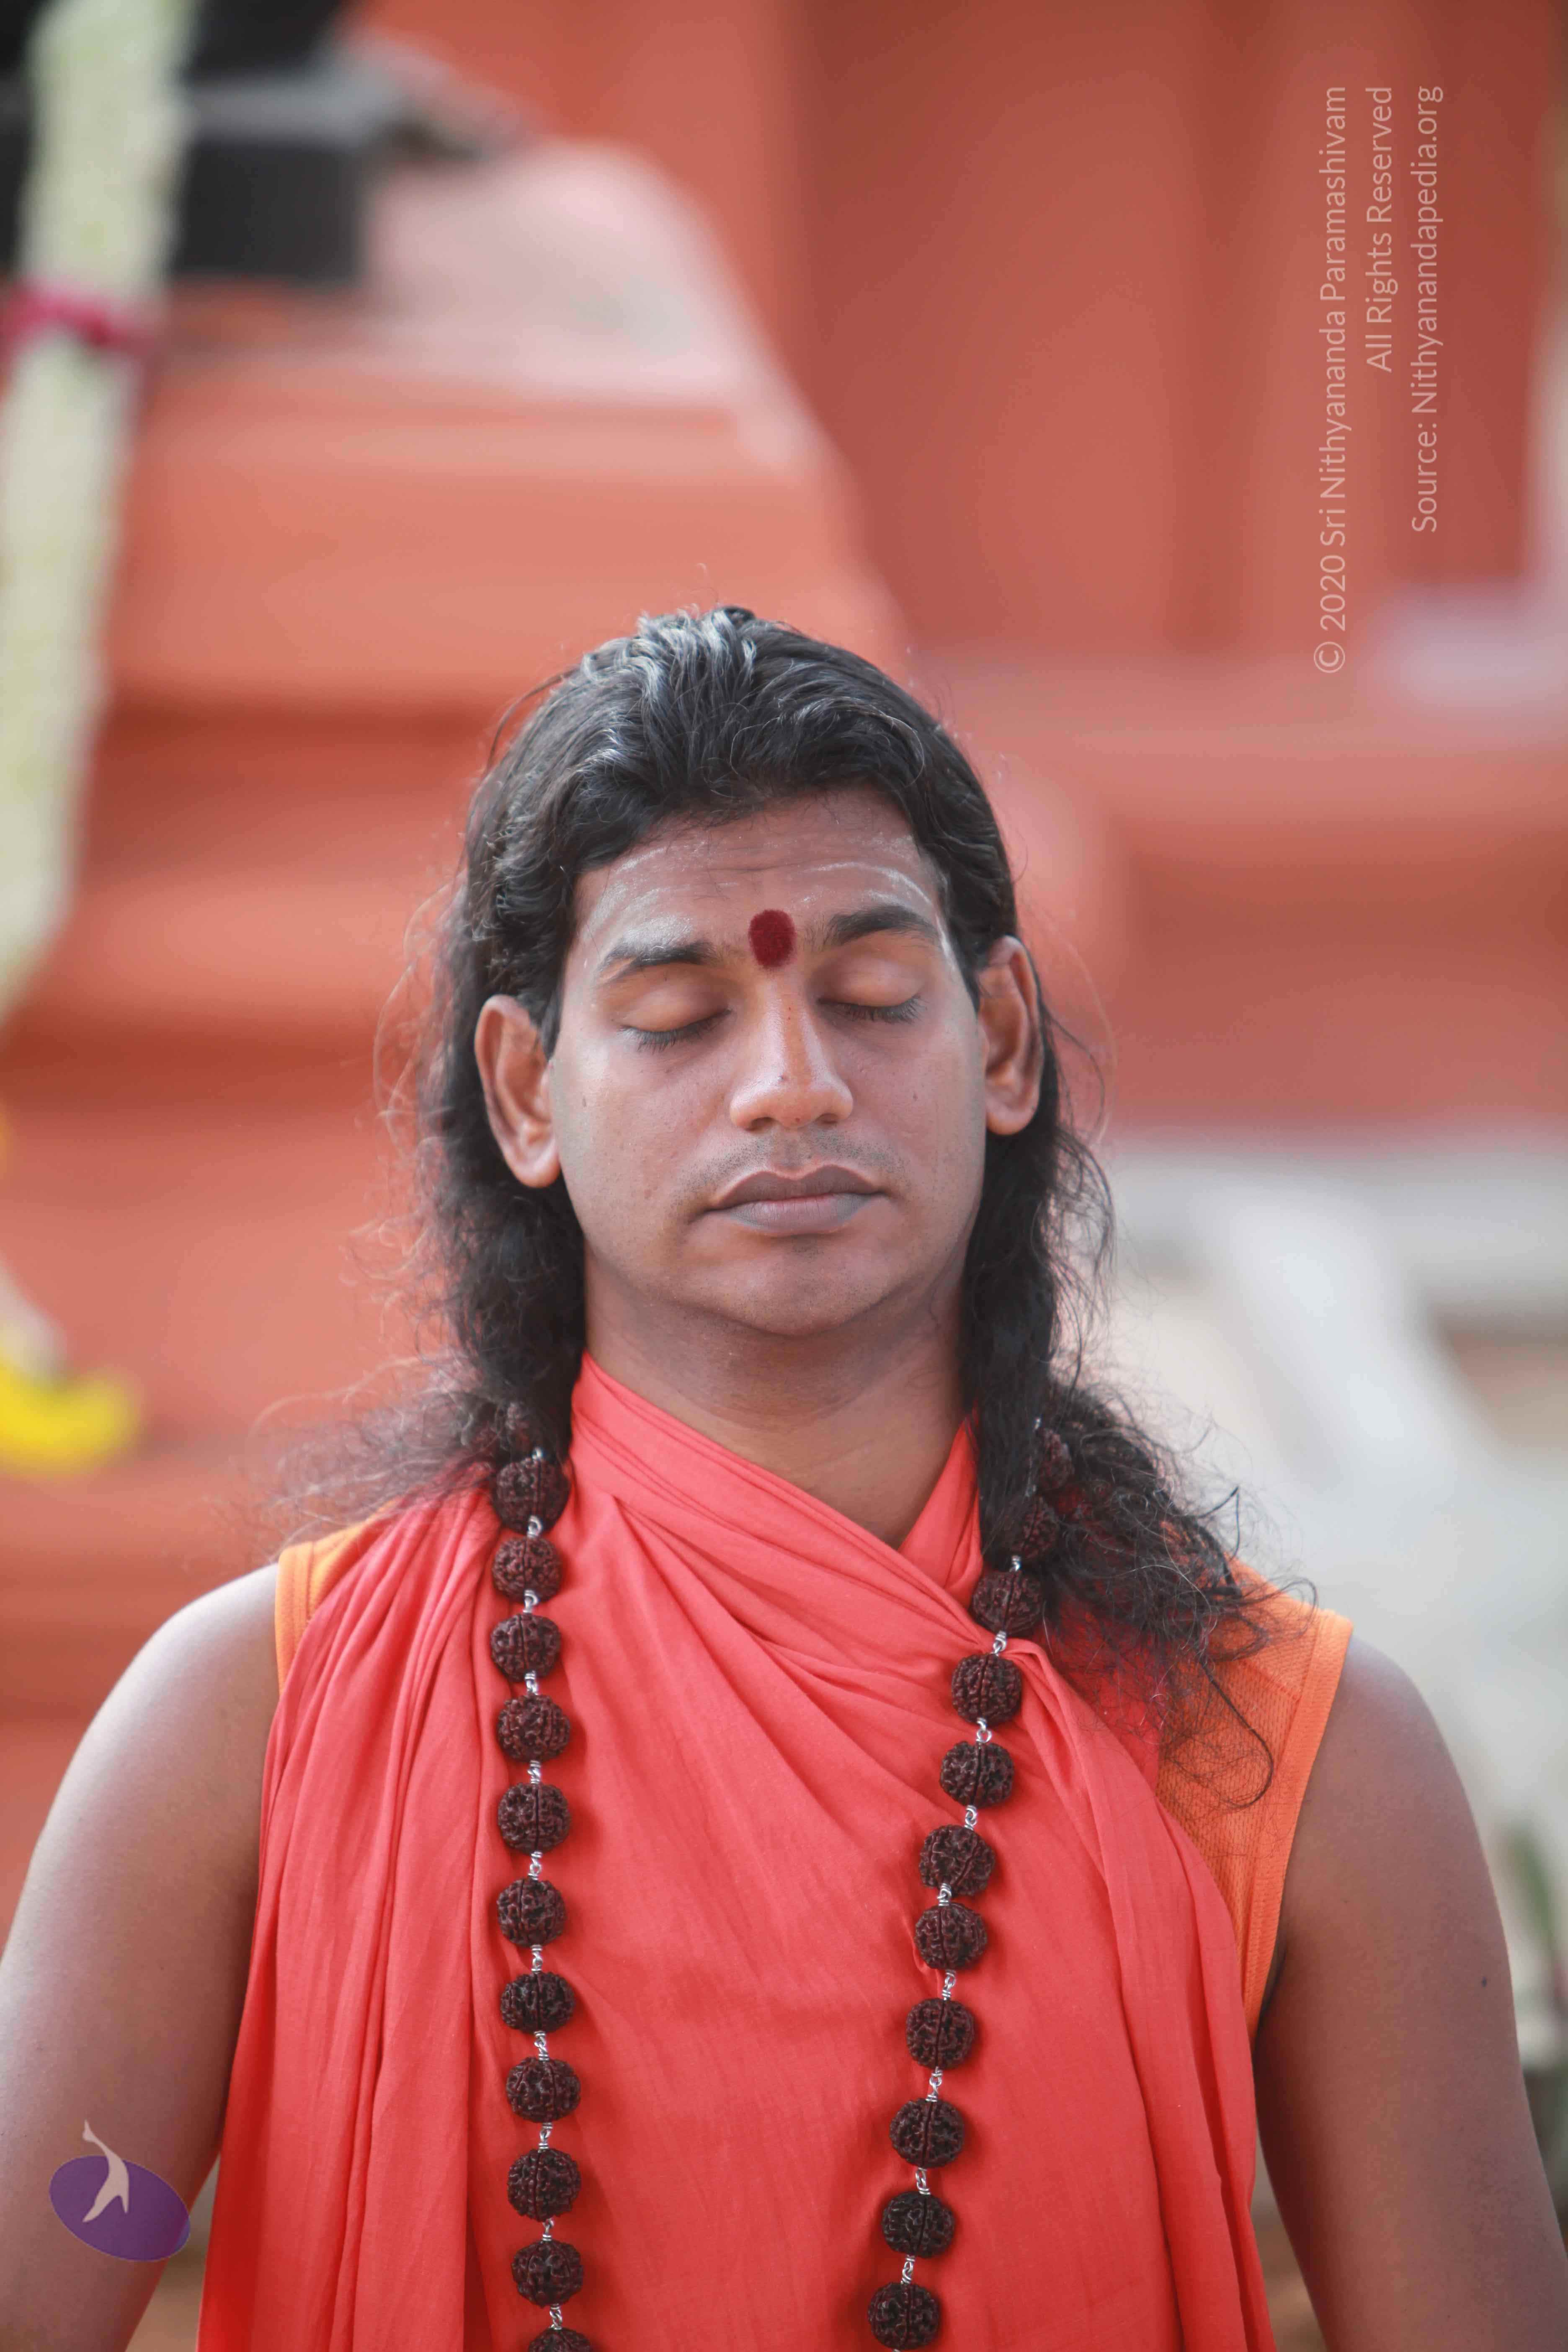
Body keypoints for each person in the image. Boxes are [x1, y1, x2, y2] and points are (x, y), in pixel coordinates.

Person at [1, 607, 1563, 2352]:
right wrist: (124, 2198)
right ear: (526, 1094)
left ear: (1003, 1043)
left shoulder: (1290, 1758)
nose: (791, 1087)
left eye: (872, 997)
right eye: (679, 1018)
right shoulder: (252, 1726)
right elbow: (75, 2212)